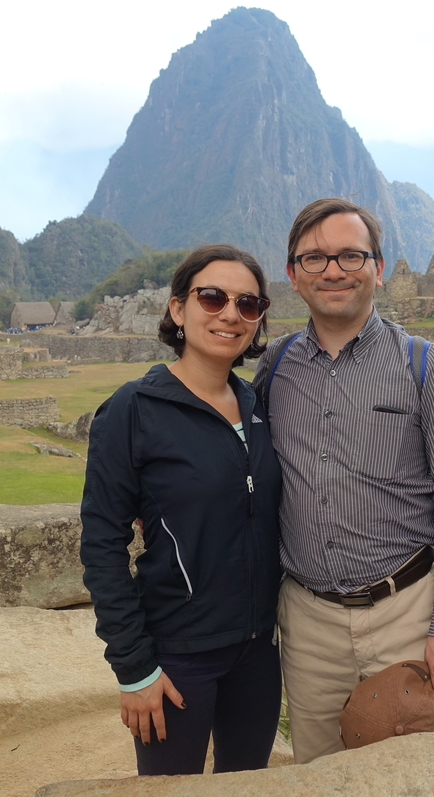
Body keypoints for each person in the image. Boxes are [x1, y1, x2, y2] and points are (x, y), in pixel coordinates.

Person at [253, 198, 434, 764]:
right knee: (322, 768)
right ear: (292, 275)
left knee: (433, 767)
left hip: (406, 609)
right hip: (310, 618)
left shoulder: (426, 368)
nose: (332, 270)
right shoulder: (275, 369)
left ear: (378, 268)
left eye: (350, 255)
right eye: (313, 258)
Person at [80, 244, 283, 776]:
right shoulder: (134, 409)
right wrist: (134, 668)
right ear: (178, 309)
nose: (229, 315)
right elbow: (102, 543)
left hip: (258, 650)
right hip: (179, 653)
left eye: (248, 305)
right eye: (211, 297)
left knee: (247, 785)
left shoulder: (259, 406)